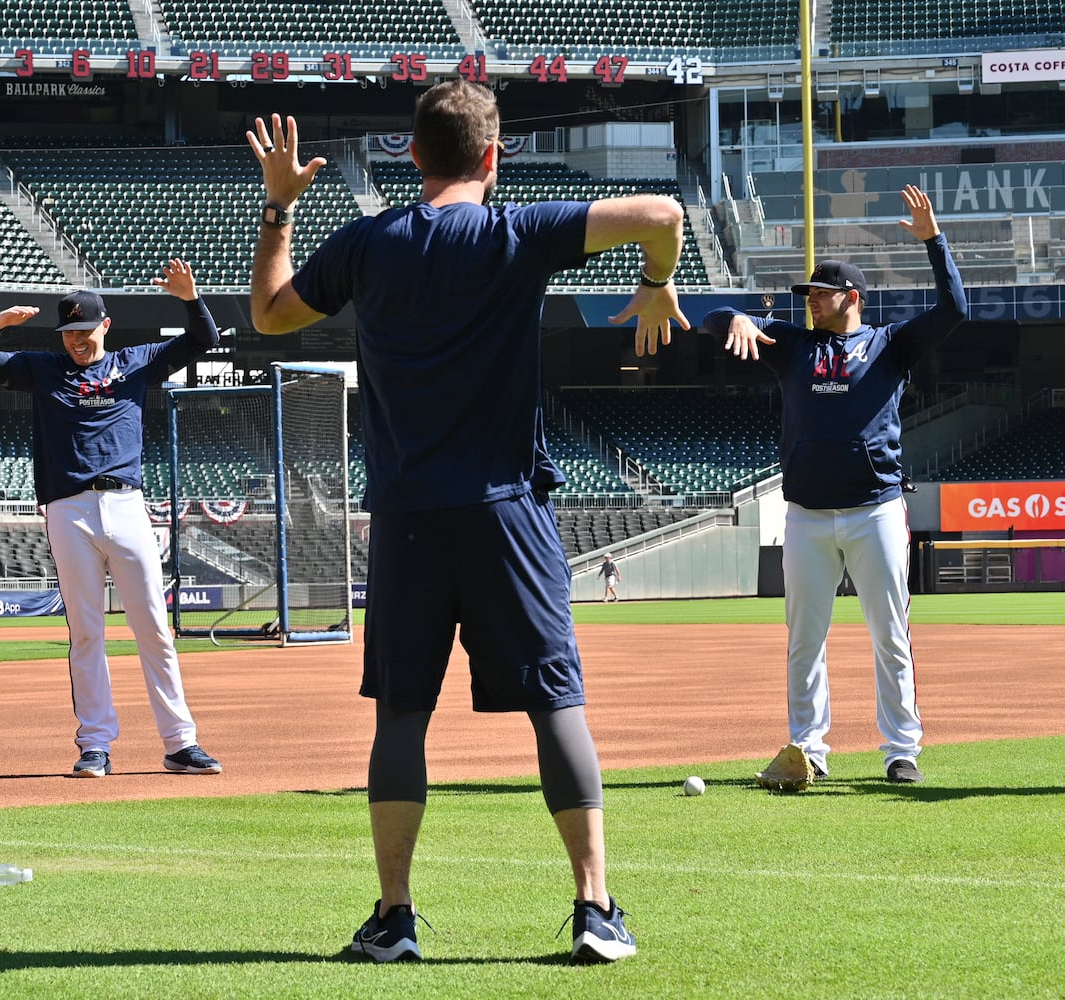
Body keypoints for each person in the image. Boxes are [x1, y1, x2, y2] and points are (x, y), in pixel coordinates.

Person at [248, 79, 689, 963]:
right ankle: (595, 909)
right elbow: (661, 210)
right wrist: (654, 286)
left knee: (401, 716)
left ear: (411, 156)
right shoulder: (516, 230)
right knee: (555, 704)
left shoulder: (369, 244)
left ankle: (394, 918)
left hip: (407, 517)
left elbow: (268, 315)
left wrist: (278, 208)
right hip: (507, 514)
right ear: (495, 157)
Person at [702, 183, 967, 785]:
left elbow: (955, 310)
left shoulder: (890, 344)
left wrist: (934, 243)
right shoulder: (792, 345)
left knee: (890, 636)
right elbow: (710, 321)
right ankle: (807, 750)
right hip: (807, 515)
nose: (810, 302)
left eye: (819, 294)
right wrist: (737, 316)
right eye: (808, 295)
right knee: (804, 642)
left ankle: (902, 751)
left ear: (851, 297)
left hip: (875, 510)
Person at [0, 259, 222, 780]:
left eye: (84, 329)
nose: (76, 339)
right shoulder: (42, 368)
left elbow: (202, 340)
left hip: (126, 505)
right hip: (68, 507)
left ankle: (180, 742)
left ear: (105, 325)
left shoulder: (137, 361)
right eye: (69, 331)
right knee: (86, 632)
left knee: (154, 629)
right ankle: (95, 744)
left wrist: (190, 299)